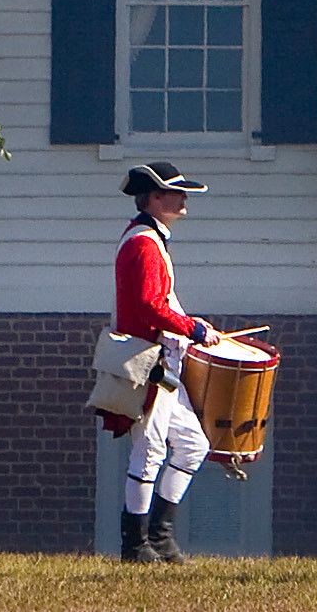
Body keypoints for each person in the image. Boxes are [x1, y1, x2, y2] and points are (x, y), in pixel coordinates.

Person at [105, 161, 216, 564]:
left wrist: (190, 324)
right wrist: (194, 330)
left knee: (192, 446)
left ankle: (160, 536)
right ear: (154, 198)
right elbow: (150, 306)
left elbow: (160, 301)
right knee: (149, 448)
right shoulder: (143, 243)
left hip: (160, 359)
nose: (183, 199)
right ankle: (135, 545)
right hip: (145, 359)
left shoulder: (150, 240)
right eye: (175, 193)